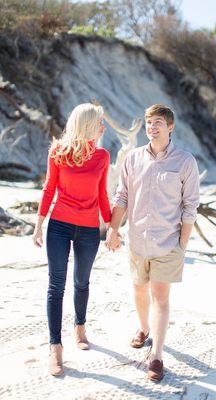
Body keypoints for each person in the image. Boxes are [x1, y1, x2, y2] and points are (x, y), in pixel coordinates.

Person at [105, 104, 200, 382]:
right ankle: (144, 329)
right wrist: (113, 229)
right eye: (149, 122)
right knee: (139, 291)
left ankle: (156, 355)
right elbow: (121, 197)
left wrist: (182, 242)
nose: (152, 127)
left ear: (170, 127)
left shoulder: (185, 161)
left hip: (167, 244)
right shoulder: (133, 159)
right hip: (137, 241)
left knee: (160, 298)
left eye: (158, 122)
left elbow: (190, 205)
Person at [33, 103, 116, 376]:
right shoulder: (57, 152)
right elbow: (49, 189)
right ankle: (55, 348)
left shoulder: (102, 156)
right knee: (56, 286)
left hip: (89, 229)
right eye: (100, 123)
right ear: (87, 124)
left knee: (81, 282)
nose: (103, 127)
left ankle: (80, 327)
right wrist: (38, 224)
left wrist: (112, 227)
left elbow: (102, 194)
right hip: (59, 226)